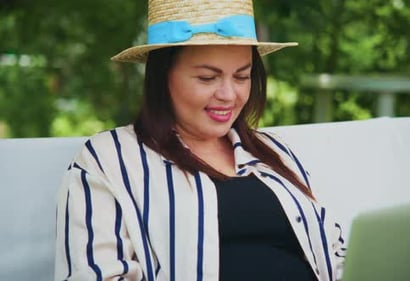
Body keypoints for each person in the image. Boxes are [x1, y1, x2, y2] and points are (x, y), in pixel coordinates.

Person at [54, 0, 346, 280]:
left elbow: (337, 253)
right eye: (208, 78)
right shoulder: (109, 159)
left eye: (242, 77)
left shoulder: (276, 151)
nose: (229, 95)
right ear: (162, 76)